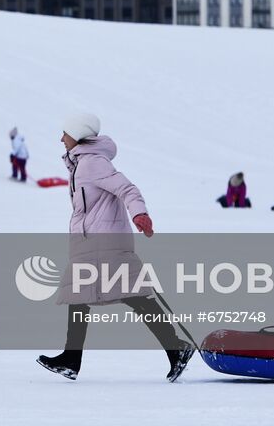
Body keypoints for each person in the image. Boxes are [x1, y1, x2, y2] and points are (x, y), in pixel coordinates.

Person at [36, 112, 195, 383]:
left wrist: (140, 215)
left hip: (105, 243)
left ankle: (176, 347)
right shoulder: (80, 164)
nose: (61, 138)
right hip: (90, 243)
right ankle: (72, 359)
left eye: (65, 133)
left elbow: (128, 190)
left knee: (132, 296)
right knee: (81, 296)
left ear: (78, 135)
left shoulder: (92, 163)